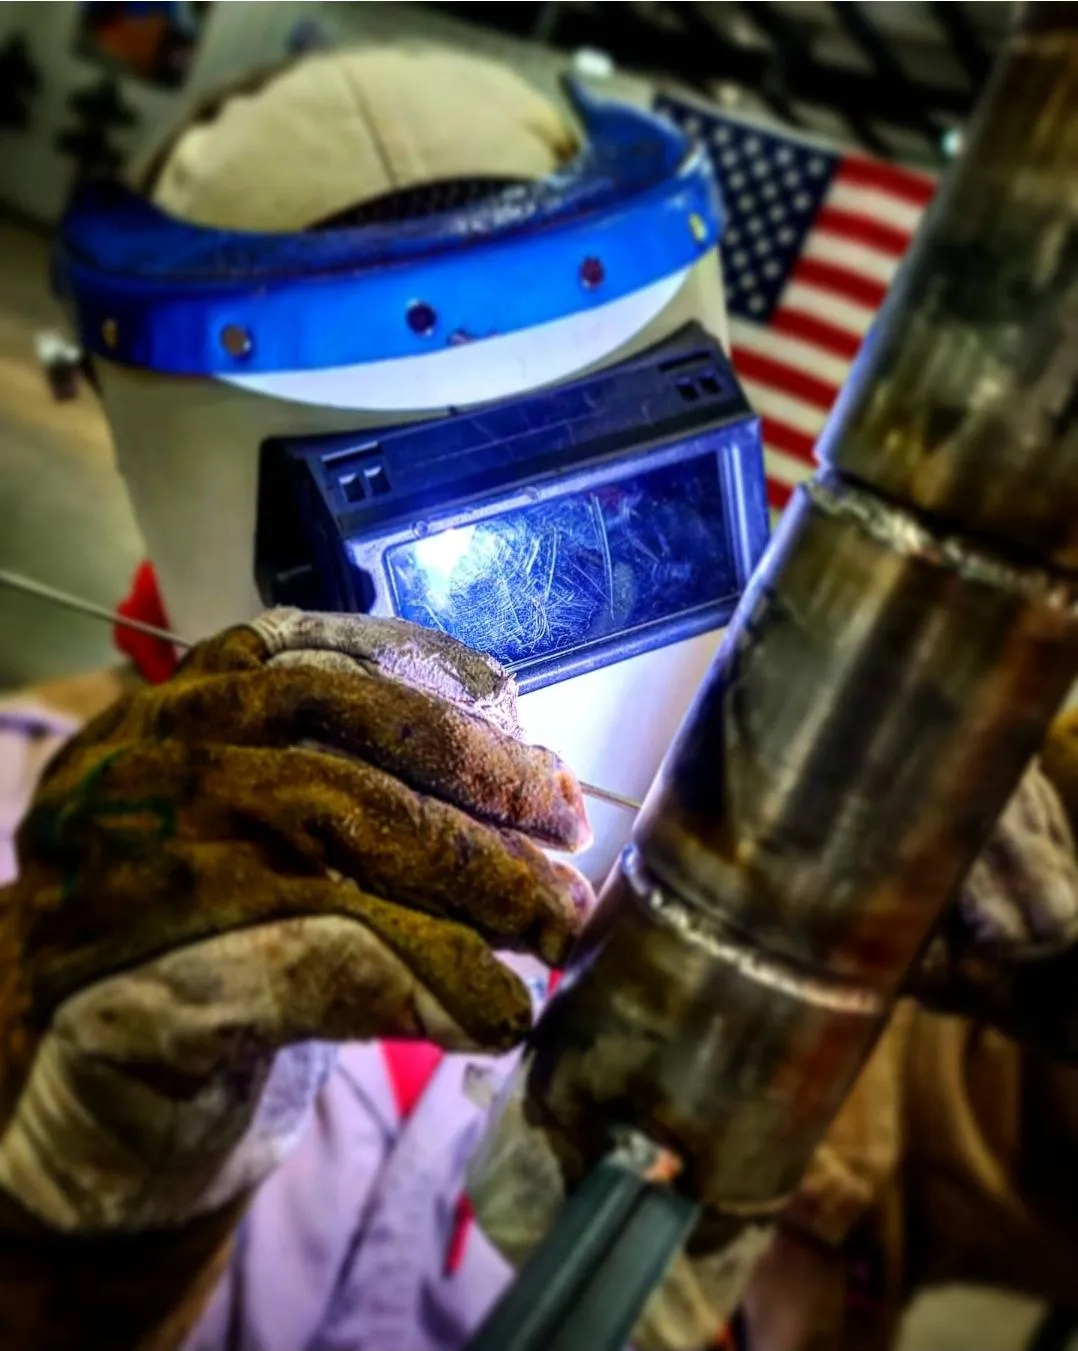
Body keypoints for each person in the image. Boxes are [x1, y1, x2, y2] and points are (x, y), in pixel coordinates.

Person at [2, 44, 1078, 1351]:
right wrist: (80, 1173)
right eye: (464, 583)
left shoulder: (828, 907)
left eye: (612, 537)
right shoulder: (49, 840)